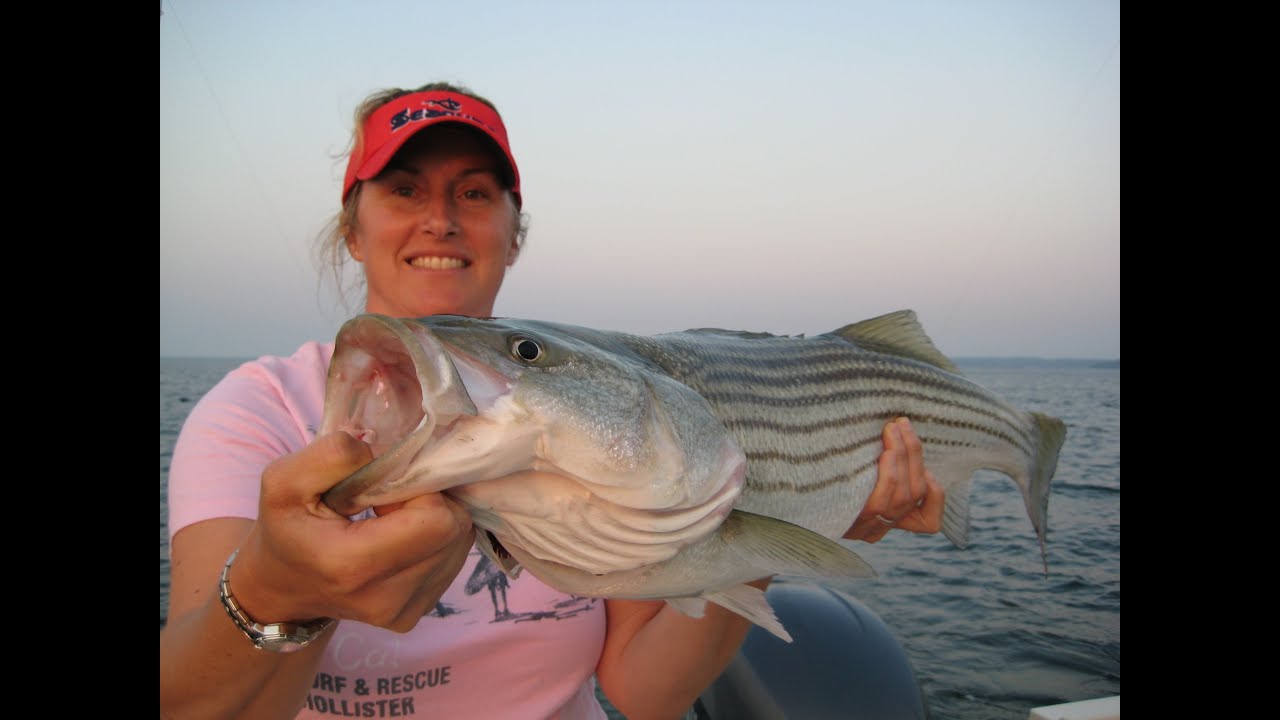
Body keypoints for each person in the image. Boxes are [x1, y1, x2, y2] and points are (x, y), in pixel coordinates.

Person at [159, 82, 945, 720]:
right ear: (353, 231)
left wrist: (768, 537)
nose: (440, 219)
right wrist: (275, 592)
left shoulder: (596, 423)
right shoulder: (255, 410)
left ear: (514, 231)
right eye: (404, 189)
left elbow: (643, 692)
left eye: (474, 192)